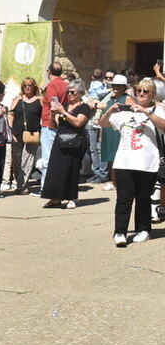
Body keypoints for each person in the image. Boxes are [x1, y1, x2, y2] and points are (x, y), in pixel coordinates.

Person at [99, 78, 165, 246]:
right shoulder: (125, 112)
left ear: (152, 94)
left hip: (147, 162)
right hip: (124, 162)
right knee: (124, 198)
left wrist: (146, 111)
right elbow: (104, 124)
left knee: (143, 198)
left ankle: (143, 230)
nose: (141, 94)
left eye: (145, 91)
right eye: (138, 91)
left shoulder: (158, 110)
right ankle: (120, 232)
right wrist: (109, 111)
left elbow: (164, 126)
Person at [41, 81, 92, 209]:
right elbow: (56, 124)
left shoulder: (84, 107)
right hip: (61, 139)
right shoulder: (64, 105)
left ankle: (71, 198)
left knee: (72, 170)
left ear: (80, 93)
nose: (69, 94)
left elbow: (78, 122)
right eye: (68, 92)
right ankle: (54, 197)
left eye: (73, 92)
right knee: (55, 169)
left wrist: (63, 112)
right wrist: (53, 115)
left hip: (75, 141)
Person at [97, 75, 132, 192]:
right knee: (111, 157)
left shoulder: (127, 99)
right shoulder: (111, 99)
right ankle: (114, 182)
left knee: (120, 156)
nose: (115, 87)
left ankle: (121, 181)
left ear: (124, 87)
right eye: (114, 85)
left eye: (118, 85)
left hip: (120, 131)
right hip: (108, 130)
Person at [8, 77, 42, 194]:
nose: (27, 87)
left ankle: (23, 185)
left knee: (27, 160)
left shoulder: (39, 100)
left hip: (32, 134)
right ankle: (19, 182)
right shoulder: (18, 99)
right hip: (17, 134)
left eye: (30, 85)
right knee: (16, 160)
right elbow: (11, 114)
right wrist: (10, 129)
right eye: (25, 85)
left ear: (34, 87)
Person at [40, 62, 69, 189]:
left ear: (49, 72)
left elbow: (54, 105)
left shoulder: (52, 85)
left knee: (47, 158)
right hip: (60, 123)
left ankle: (45, 187)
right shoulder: (64, 84)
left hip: (50, 123)